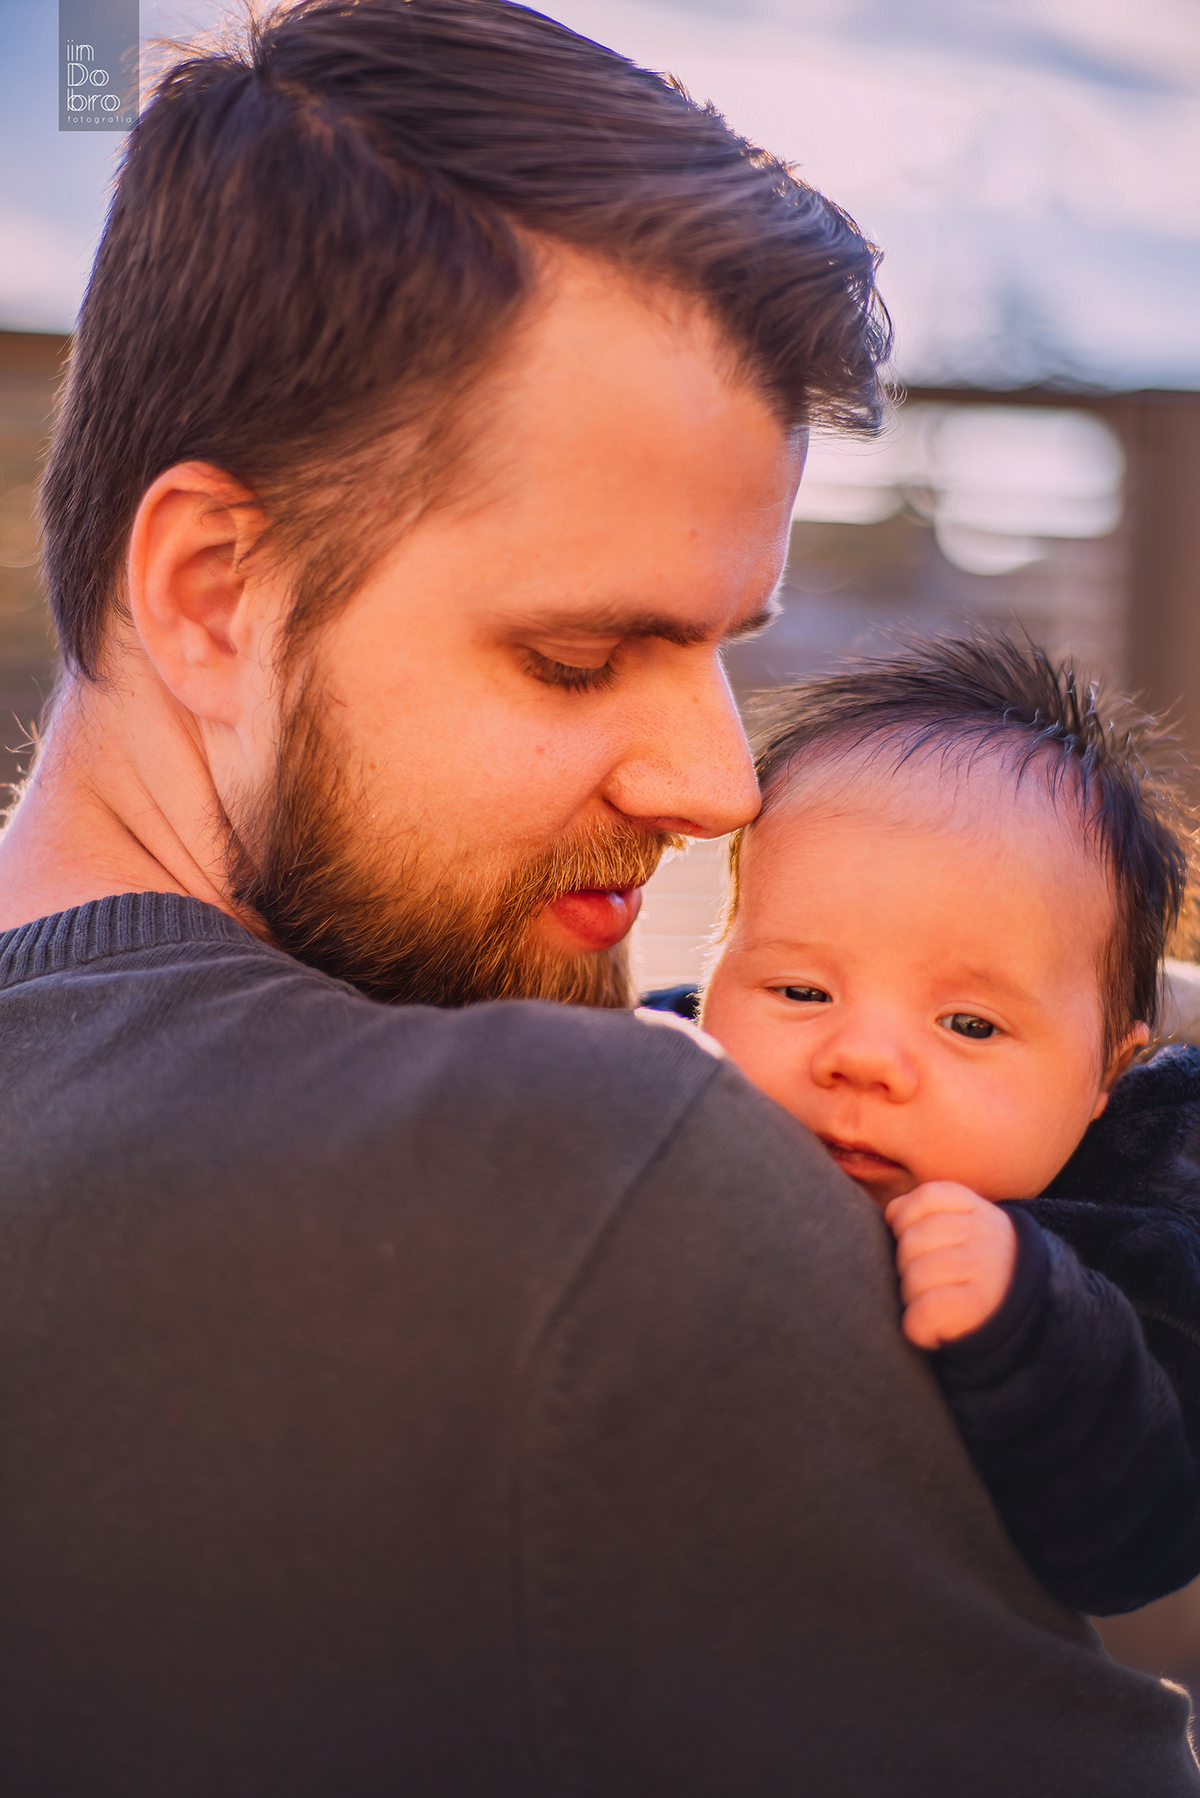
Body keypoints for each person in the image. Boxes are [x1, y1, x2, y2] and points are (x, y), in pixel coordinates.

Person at [1, 2, 1195, 1791]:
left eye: (723, 648)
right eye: (577, 657)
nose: (720, 786)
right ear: (209, 590)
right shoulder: (586, 1184)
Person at [695, 634, 1200, 1618]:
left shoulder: (1140, 1238)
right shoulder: (655, 1082)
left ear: (1107, 1073)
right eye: (801, 987)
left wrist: (1036, 1319)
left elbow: (1143, 1535)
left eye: (969, 1023)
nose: (863, 1056)